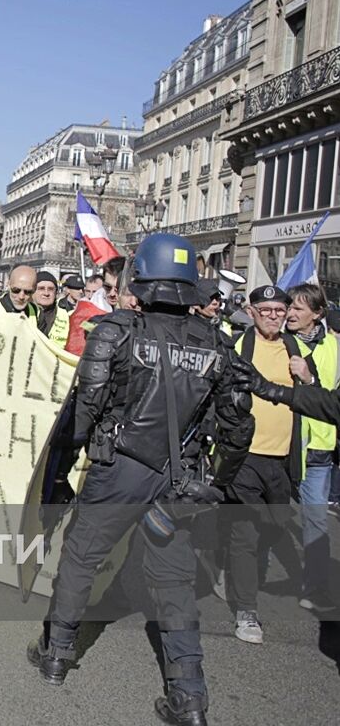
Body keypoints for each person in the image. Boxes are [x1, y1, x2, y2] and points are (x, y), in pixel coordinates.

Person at [28, 233, 253, 726]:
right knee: (173, 581)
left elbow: (85, 405)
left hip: (119, 469)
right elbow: (240, 428)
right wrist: (212, 484)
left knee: (82, 557)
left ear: (143, 280)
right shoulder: (218, 342)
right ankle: (189, 696)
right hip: (180, 479)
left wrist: (81, 454)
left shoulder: (114, 330)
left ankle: (56, 655)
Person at [220, 285, 313, 644]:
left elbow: (316, 397)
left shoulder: (297, 350)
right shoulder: (238, 346)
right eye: (266, 310)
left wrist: (306, 377)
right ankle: (246, 611)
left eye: (279, 310)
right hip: (244, 458)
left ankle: (224, 558)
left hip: (283, 458)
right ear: (251, 311)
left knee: (273, 527)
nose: (274, 316)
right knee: (246, 534)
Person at [284, 283, 337, 611]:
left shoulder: (334, 347)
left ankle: (315, 587)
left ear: (317, 314)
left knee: (316, 521)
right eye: (289, 306)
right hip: (280, 446)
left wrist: (308, 380)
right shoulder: (279, 341)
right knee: (264, 517)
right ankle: (237, 576)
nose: (290, 312)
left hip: (317, 449)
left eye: (299, 309)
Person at [34, 271, 70, 346]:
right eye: (41, 289)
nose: (46, 293)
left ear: (56, 293)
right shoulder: (23, 312)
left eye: (50, 289)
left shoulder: (66, 315)